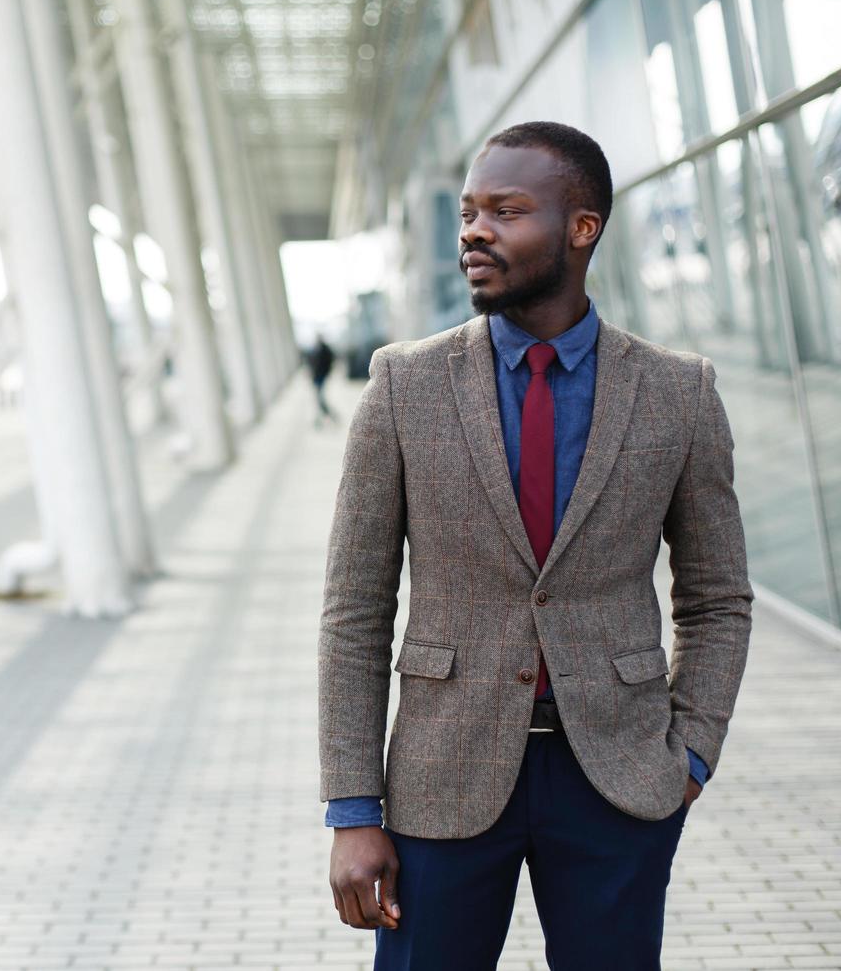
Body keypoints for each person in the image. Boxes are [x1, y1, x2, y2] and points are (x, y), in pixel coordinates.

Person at [318, 121, 752, 969]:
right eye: (469, 213)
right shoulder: (404, 386)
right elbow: (355, 612)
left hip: (618, 776)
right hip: (442, 775)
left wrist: (691, 753)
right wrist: (351, 808)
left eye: (506, 212)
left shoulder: (678, 392)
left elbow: (718, 595)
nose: (475, 231)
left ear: (581, 228)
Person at [305, 332, 338, 427]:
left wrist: (327, 372)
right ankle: (325, 417)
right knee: (319, 399)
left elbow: (330, 361)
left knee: (320, 399)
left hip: (321, 377)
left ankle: (329, 416)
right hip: (317, 377)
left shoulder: (324, 349)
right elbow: (312, 363)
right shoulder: (316, 349)